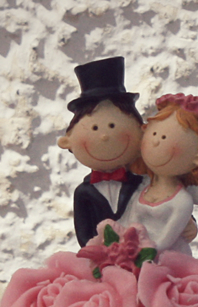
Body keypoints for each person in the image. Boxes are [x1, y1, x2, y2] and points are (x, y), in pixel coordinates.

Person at [123, 93, 198, 254]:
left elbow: (167, 238)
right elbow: (132, 225)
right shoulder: (141, 190)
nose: (155, 141)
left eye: (164, 137)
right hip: (136, 254)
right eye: (154, 134)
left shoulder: (182, 201)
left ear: (197, 158)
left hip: (168, 257)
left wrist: (145, 252)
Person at [58, 57, 146, 247]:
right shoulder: (84, 192)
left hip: (149, 254)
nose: (105, 136)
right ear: (67, 142)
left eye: (112, 126)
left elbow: (170, 207)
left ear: (142, 132)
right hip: (103, 260)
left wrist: (189, 224)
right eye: (95, 128)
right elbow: (84, 235)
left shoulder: (145, 182)